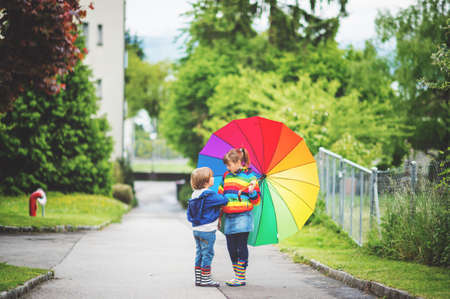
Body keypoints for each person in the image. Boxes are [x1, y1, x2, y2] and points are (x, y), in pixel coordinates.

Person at [219, 148, 261, 287]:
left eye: (229, 164)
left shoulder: (250, 177)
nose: (227, 167)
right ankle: (237, 275)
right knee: (231, 248)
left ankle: (240, 277)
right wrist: (219, 217)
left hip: (243, 216)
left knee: (240, 246)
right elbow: (220, 195)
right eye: (226, 165)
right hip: (229, 217)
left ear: (238, 162)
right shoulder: (226, 175)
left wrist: (251, 192)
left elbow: (256, 201)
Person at [187, 167, 228, 287]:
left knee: (200, 253)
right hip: (207, 230)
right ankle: (206, 280)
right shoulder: (208, 195)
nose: (213, 178)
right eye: (211, 176)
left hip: (197, 230)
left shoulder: (195, 194)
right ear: (205, 181)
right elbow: (224, 200)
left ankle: (199, 279)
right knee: (208, 253)